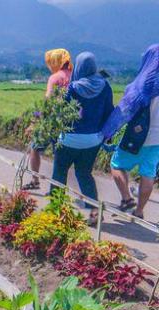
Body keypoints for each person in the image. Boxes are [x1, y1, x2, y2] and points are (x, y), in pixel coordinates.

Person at [51, 52, 114, 226]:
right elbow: (109, 112)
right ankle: (94, 212)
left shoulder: (73, 88)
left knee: (60, 171)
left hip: (69, 139)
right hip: (93, 141)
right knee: (84, 173)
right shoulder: (105, 87)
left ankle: (56, 211)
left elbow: (61, 113)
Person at [102, 44, 159, 221]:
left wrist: (108, 131)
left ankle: (127, 198)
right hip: (157, 140)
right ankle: (139, 211)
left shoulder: (143, 84)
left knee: (117, 164)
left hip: (138, 137)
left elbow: (125, 110)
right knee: (148, 173)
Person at [23, 49, 73, 190]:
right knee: (59, 156)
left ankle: (35, 180)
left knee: (35, 148)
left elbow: (48, 101)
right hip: (69, 122)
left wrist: (36, 121)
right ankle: (58, 189)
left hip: (51, 121)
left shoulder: (55, 78)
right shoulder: (75, 77)